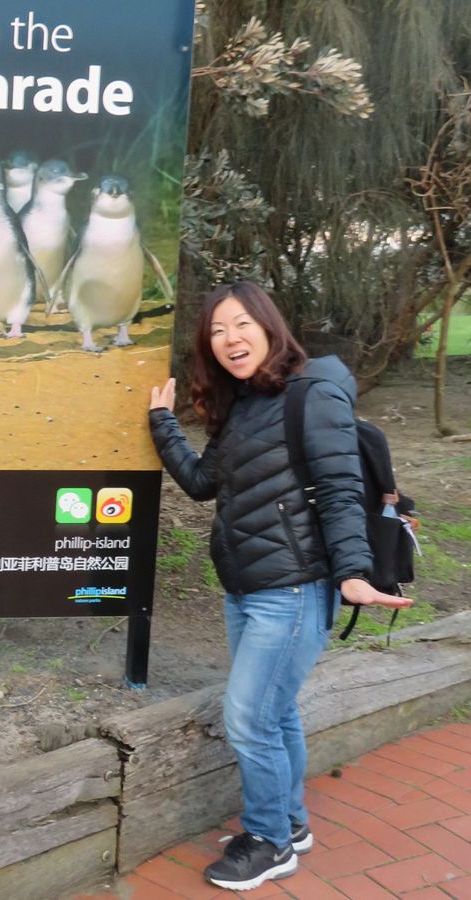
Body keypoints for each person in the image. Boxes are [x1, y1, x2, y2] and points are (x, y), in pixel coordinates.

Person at [147, 281, 412, 892]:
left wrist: (353, 573)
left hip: (293, 590)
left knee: (248, 718)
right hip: (246, 586)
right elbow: (202, 483)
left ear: (269, 327)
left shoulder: (312, 393)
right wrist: (163, 424)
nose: (230, 339)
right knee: (276, 712)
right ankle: (289, 823)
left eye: (241, 324)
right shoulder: (245, 404)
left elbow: (340, 489)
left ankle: (268, 842)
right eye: (217, 331)